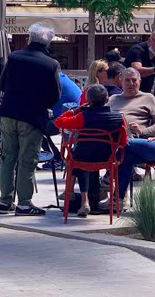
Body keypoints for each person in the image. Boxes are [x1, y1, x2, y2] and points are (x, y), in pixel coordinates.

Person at [0, 23, 61, 216]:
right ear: (47, 43)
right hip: (32, 115)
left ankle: (4, 202)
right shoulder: (51, 64)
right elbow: (55, 95)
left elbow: (2, 83)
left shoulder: (14, 57)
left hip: (8, 112)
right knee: (27, 159)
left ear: (29, 39)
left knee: (7, 157)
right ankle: (24, 203)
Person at [54, 84, 127, 218]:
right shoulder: (118, 118)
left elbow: (59, 121)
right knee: (81, 155)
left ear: (88, 101)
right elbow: (123, 142)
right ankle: (95, 202)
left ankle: (84, 200)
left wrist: (76, 110)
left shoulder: (82, 116)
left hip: (83, 158)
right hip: (107, 159)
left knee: (78, 156)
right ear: (107, 99)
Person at [107, 67, 155, 138]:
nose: (131, 84)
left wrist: (142, 131)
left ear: (139, 81)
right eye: (127, 80)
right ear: (121, 81)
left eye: (134, 80)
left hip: (135, 139)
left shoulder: (148, 98)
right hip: (112, 136)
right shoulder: (113, 99)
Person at [123, 30, 155, 100]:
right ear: (149, 40)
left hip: (147, 93)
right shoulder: (137, 50)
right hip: (130, 91)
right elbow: (137, 72)